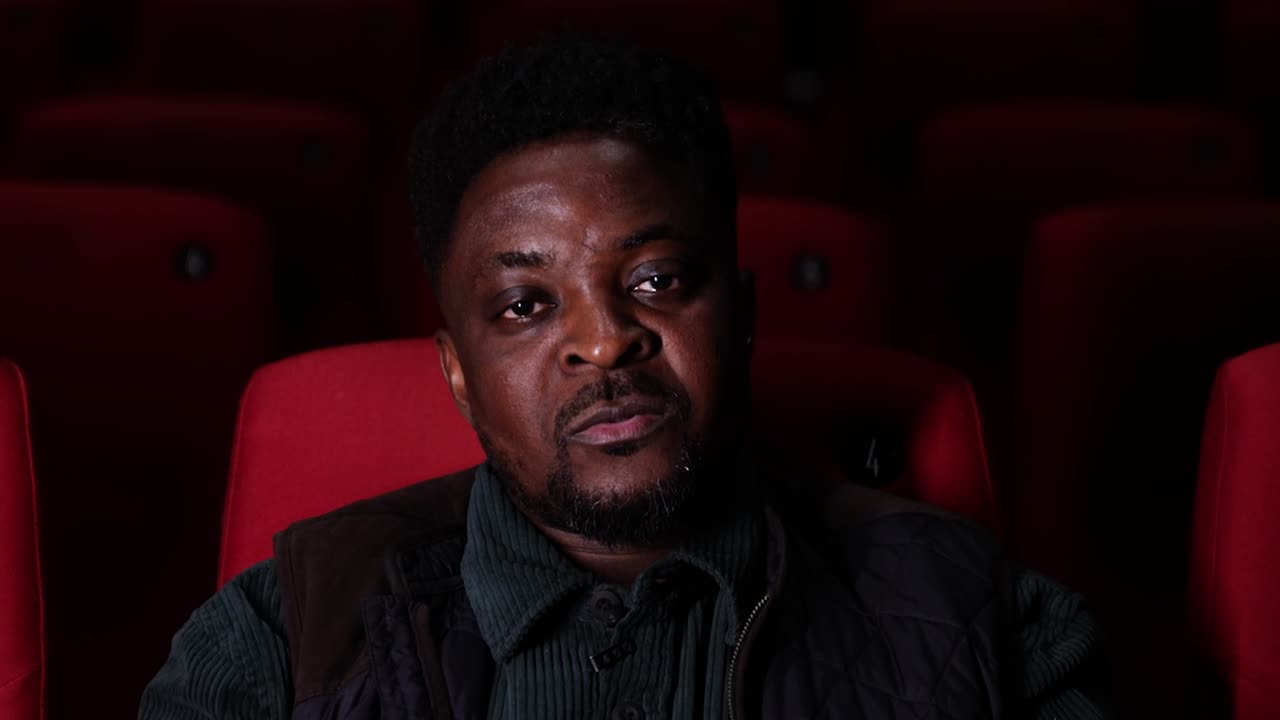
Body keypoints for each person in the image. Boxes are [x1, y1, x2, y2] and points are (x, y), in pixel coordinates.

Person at [139, 36, 1108, 719]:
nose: (604, 343)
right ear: (458, 375)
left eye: (657, 281)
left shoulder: (987, 622)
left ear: (742, 317)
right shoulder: (276, 640)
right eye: (526, 304)